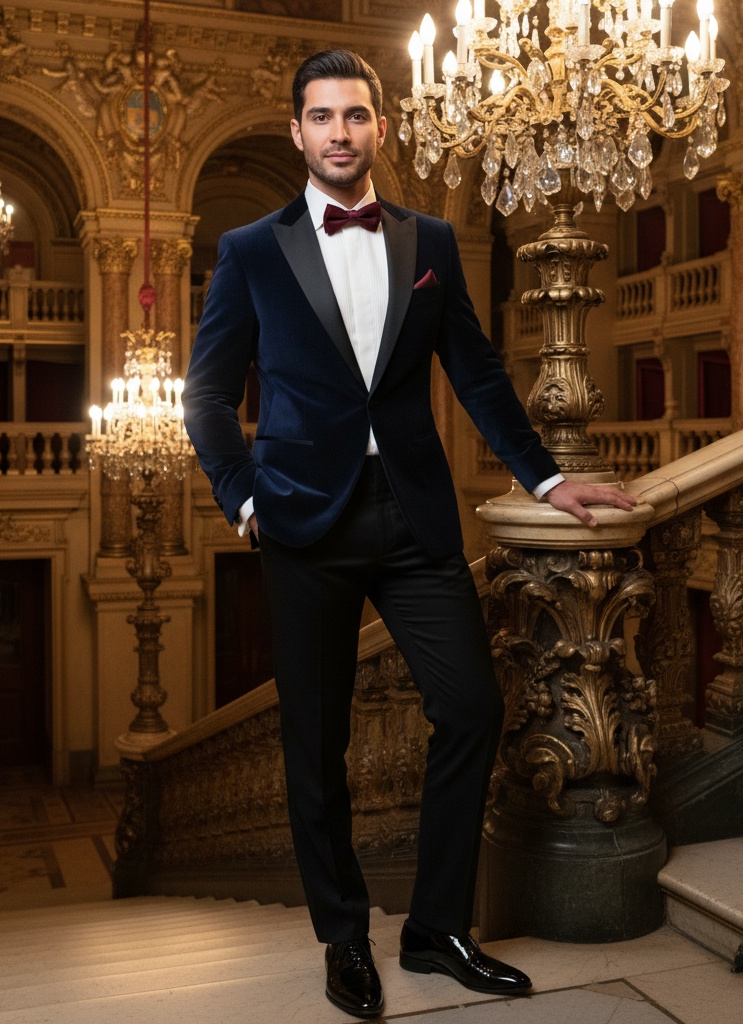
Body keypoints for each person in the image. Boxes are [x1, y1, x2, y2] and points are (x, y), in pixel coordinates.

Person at [183, 49, 637, 1020]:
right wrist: (245, 497)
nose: (339, 132)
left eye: (355, 115)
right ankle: (343, 936)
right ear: (296, 130)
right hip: (302, 519)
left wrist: (547, 477)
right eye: (321, 117)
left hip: (412, 512)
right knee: (317, 742)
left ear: (379, 128)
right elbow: (210, 397)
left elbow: (472, 370)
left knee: (469, 706)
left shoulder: (428, 237)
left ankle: (435, 927)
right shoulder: (251, 251)